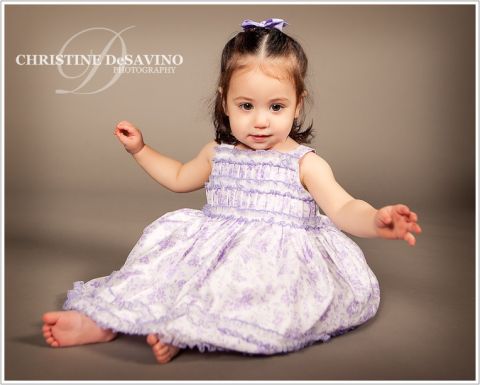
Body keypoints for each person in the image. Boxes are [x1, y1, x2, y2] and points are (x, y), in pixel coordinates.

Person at [42, 18, 422, 365]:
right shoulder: (217, 154)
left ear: (297, 105)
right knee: (156, 276)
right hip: (209, 251)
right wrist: (141, 149)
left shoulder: (305, 163)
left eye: (276, 106)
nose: (260, 121)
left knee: (246, 294)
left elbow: (342, 207)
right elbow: (177, 177)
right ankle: (103, 323)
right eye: (245, 105)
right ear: (225, 101)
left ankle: (185, 333)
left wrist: (375, 219)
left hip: (274, 262)